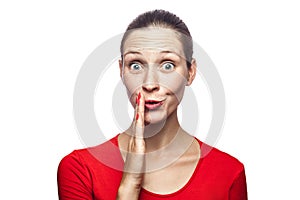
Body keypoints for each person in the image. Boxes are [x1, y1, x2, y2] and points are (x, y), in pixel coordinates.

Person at [57, 9, 247, 199]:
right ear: (122, 71)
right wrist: (130, 183)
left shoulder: (229, 172)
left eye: (167, 65)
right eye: (136, 65)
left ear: (190, 72)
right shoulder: (80, 169)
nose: (149, 84)